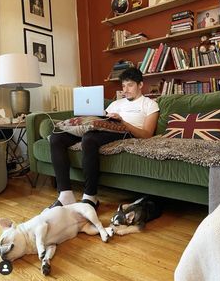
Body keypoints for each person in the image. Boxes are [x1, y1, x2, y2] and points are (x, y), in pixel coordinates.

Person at [48, 67, 160, 209]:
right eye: (123, 86)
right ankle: (65, 195)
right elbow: (101, 122)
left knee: (89, 139)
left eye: (130, 85)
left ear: (141, 85)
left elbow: (147, 134)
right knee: (56, 138)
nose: (125, 90)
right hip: (104, 127)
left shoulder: (150, 104)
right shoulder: (115, 104)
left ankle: (90, 196)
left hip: (125, 131)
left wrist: (122, 122)